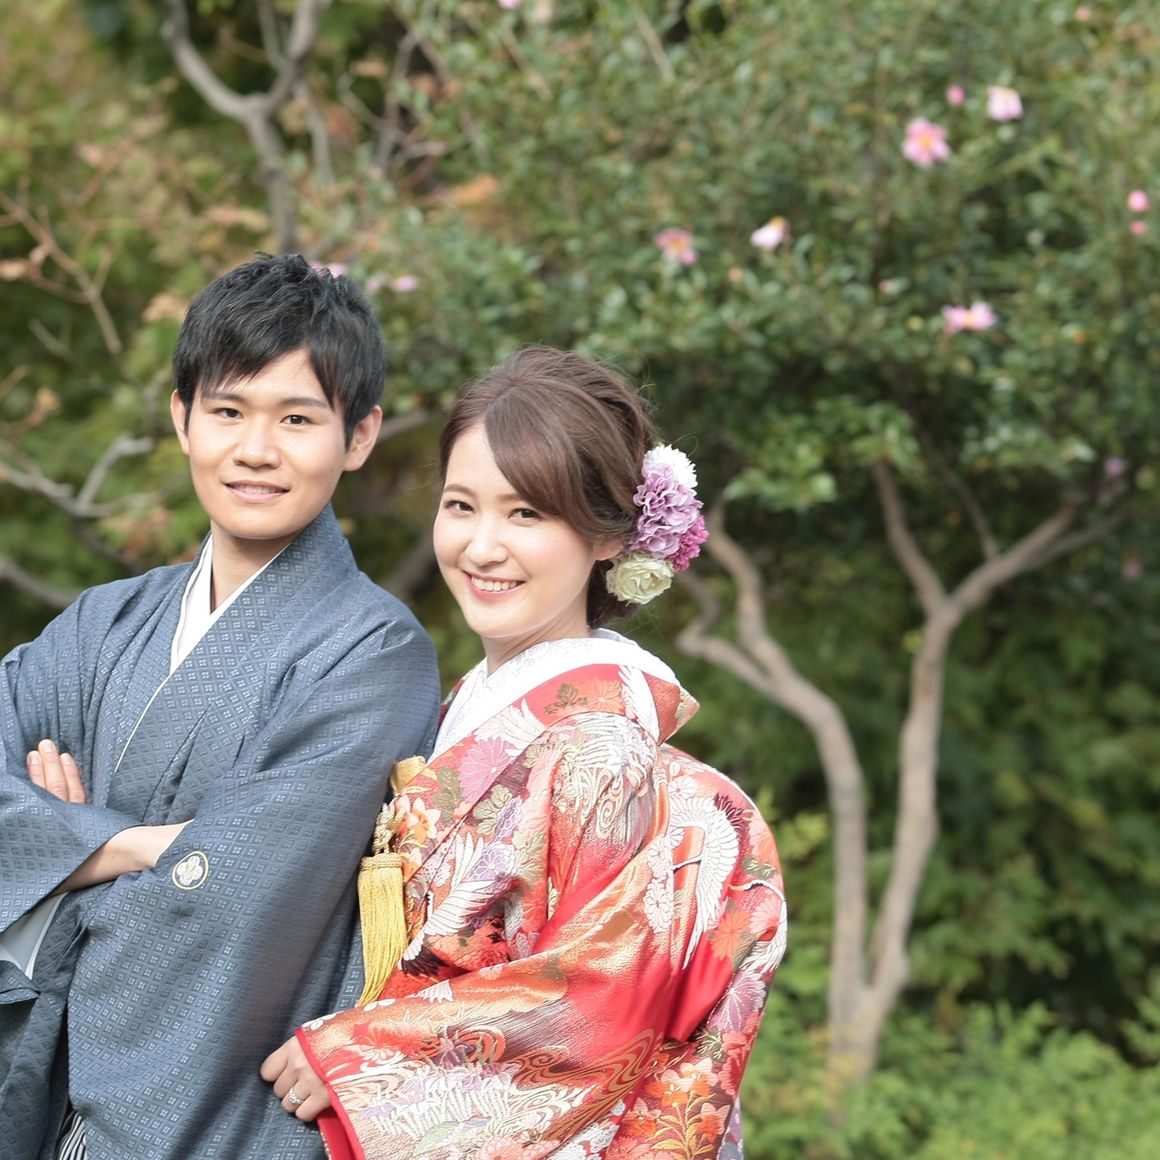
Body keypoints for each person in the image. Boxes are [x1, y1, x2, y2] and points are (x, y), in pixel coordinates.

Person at [261, 346, 787, 1159]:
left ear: (611, 537)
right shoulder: (469, 709)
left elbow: (598, 998)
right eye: (461, 505)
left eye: (526, 514)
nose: (481, 546)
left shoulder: (601, 748)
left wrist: (360, 1057)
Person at [0, 253, 441, 1160]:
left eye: (297, 419)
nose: (255, 450)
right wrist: (134, 846)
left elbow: (235, 901)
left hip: (229, 1120)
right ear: (182, 417)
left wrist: (60, 847)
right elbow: (194, 862)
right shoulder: (101, 622)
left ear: (359, 435)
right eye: (228, 412)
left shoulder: (376, 656)